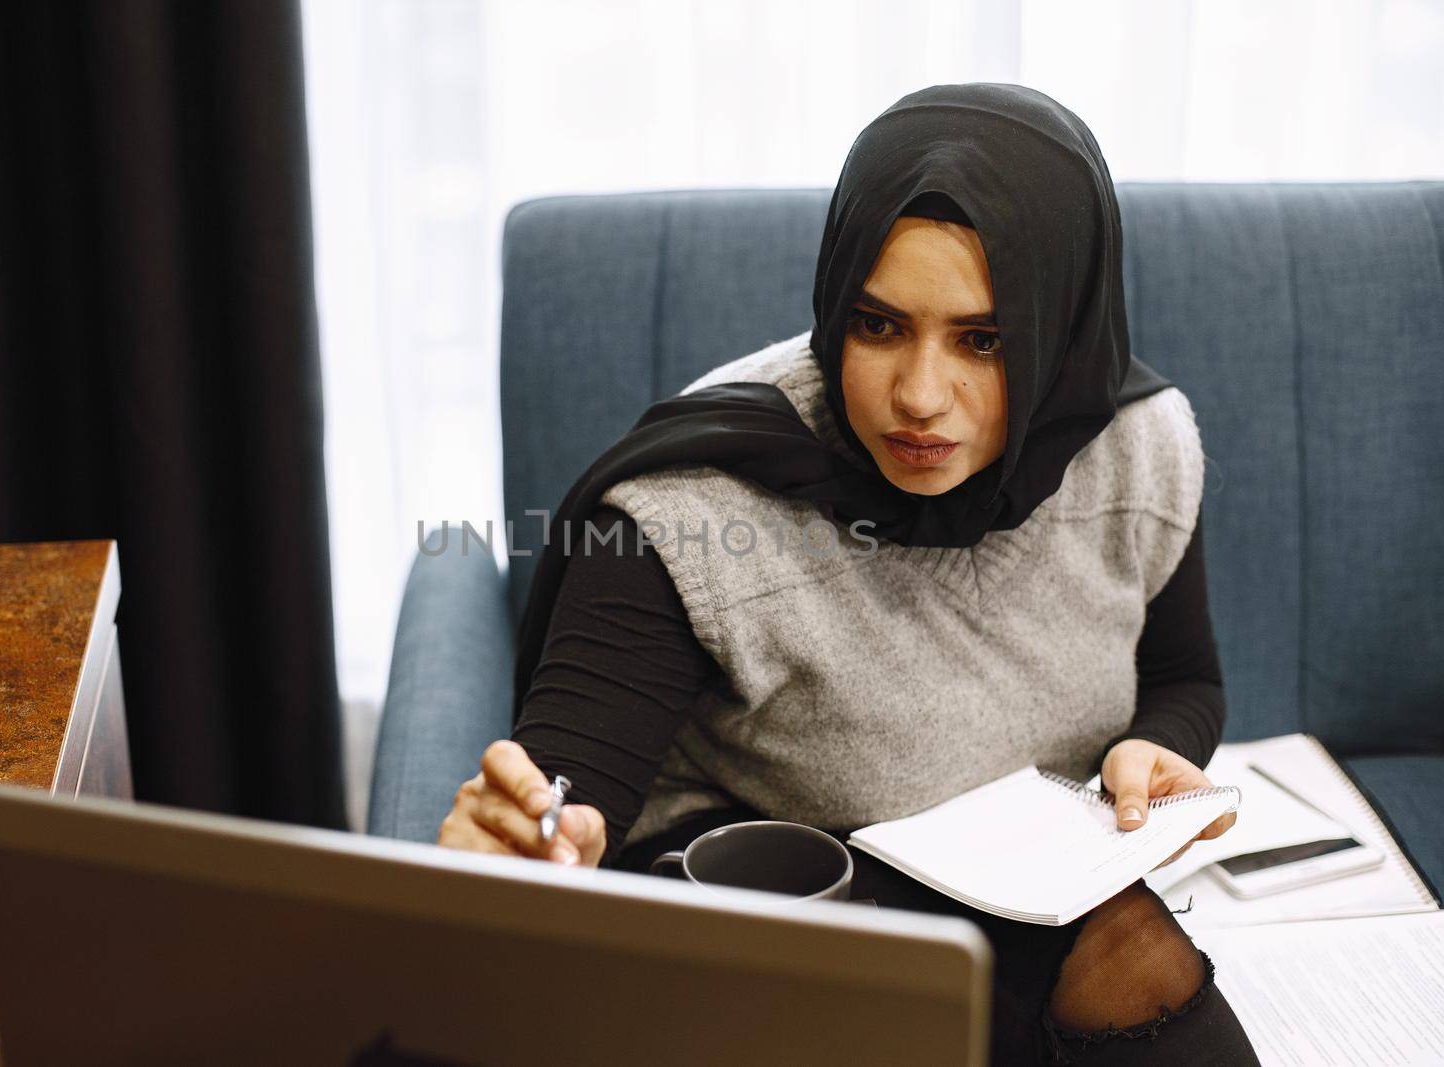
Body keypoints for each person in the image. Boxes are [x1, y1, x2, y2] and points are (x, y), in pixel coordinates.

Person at [437, 83, 1261, 1065]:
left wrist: (1155, 745)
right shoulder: (692, 500)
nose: (918, 396)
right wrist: (531, 845)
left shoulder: (1135, 446)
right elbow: (570, 790)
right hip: (775, 911)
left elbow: (1184, 679)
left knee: (1135, 953)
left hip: (1027, 894)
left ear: (1062, 330)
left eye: (983, 339)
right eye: (876, 325)